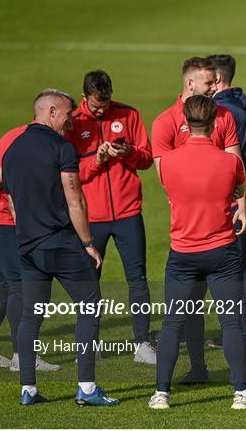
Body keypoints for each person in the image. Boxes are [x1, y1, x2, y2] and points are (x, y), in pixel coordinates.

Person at [2, 89, 119, 406]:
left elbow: (12, 201)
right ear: (51, 111)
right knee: (90, 307)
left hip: (27, 246)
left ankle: (27, 389)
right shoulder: (61, 148)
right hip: (63, 244)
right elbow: (75, 199)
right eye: (68, 114)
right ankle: (87, 388)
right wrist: (88, 243)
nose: (71, 121)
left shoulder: (11, 151)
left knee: (31, 315)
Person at [149, 95, 246, 410]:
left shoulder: (169, 161)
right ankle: (241, 394)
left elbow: (168, 186)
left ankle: (161, 394)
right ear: (215, 123)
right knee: (231, 323)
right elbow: (239, 190)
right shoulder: (229, 162)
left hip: (182, 253)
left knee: (173, 323)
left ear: (185, 122)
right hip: (222, 253)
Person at [151, 56, 245, 384]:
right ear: (191, 84)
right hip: (203, 229)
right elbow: (236, 170)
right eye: (209, 83)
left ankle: (162, 391)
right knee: (204, 310)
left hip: (211, 225)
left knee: (183, 314)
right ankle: (213, 375)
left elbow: (169, 175)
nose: (215, 87)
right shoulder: (165, 123)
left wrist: (241, 208)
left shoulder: (225, 115)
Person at [65, 70, 156, 364]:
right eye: (96, 106)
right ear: (84, 99)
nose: (102, 110)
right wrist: (98, 159)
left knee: (137, 278)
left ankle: (142, 343)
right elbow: (70, 170)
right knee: (89, 282)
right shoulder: (74, 124)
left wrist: (127, 152)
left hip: (128, 212)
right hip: (92, 217)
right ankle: (88, 345)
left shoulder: (129, 114)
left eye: (105, 104)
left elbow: (146, 158)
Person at [0, 126, 59, 371]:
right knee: (21, 284)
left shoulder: (18, 137)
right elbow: (1, 179)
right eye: (68, 118)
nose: (70, 125)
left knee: (6, 284)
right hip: (2, 221)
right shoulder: (22, 141)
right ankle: (23, 357)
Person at [203, 54, 246, 348]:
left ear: (219, 79)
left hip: (230, 195)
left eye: (209, 80)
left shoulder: (224, 112)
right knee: (238, 263)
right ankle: (236, 330)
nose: (207, 87)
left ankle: (233, 332)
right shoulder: (243, 106)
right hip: (243, 188)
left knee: (230, 265)